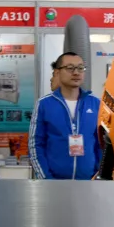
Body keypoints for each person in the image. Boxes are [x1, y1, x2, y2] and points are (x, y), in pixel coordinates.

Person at [29, 52, 102, 180]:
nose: (76, 72)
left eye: (80, 68)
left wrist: (98, 175)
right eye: (70, 68)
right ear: (57, 72)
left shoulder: (96, 103)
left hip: (89, 182)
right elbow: (35, 145)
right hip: (54, 183)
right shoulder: (44, 104)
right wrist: (46, 179)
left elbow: (101, 145)